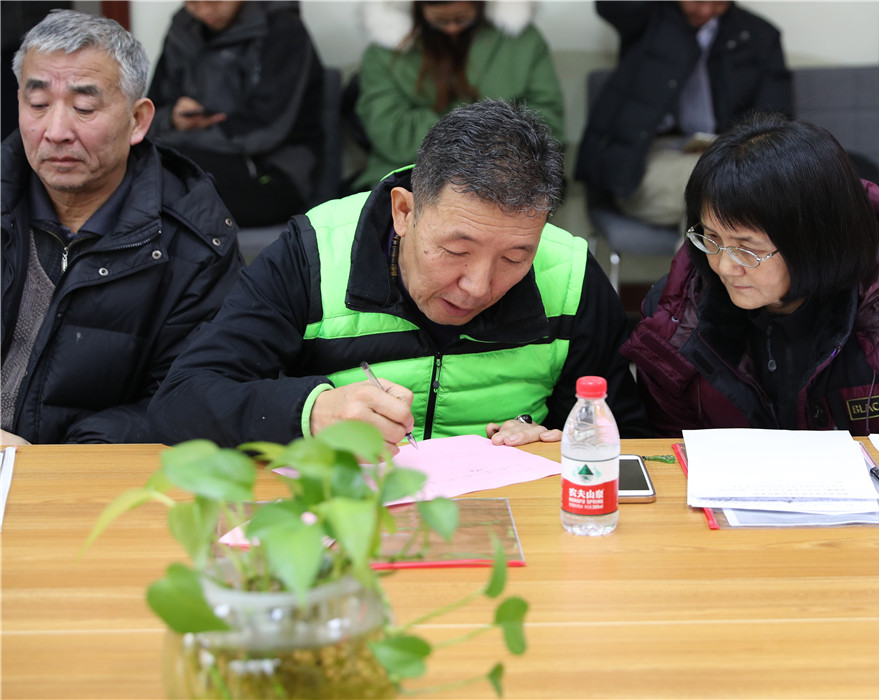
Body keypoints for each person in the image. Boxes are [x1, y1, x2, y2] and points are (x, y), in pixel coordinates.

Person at [150, 99, 647, 452]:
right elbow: (182, 399)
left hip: (509, 525)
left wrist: (559, 442)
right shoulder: (316, 251)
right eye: (456, 250)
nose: (478, 286)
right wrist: (312, 412)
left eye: (515, 258)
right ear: (404, 211)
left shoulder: (569, 272)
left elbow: (626, 434)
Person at [621, 115, 879, 436]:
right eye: (711, 238)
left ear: (814, 240)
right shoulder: (677, 314)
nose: (724, 266)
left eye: (747, 248)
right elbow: (668, 456)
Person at [1, 9, 243, 445]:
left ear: (138, 120)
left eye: (84, 107)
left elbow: (188, 397)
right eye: (37, 104)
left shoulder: (195, 242)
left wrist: (54, 460)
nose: (56, 131)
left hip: (82, 472)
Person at [575, 1, 792, 227]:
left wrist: (727, 150)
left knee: (724, 191)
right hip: (644, 160)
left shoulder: (758, 35)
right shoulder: (647, 16)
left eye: (719, 3)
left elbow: (775, 119)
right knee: (717, 187)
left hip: (727, 156)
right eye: (698, 1)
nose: (706, 10)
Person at [349, 0, 564, 191]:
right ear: (418, 7)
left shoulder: (523, 41)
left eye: (462, 18)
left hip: (507, 175)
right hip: (409, 173)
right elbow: (389, 131)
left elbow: (546, 120)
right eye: (440, 20)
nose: (452, 27)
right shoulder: (383, 53)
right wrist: (487, 132)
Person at [146, 1, 324, 227]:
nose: (204, 11)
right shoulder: (183, 27)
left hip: (271, 171)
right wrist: (172, 118)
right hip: (196, 151)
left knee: (157, 169)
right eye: (192, 3)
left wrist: (175, 139)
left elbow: (267, 129)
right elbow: (151, 111)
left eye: (214, 1)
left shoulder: (282, 29)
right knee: (139, 161)